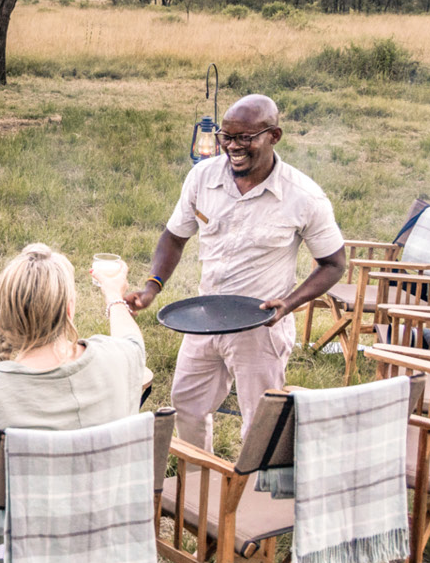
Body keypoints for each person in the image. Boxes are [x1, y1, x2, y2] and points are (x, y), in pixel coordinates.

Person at [123, 94, 346, 451]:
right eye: (226, 137)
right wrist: (152, 287)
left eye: (245, 138)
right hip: (205, 317)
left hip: (261, 324)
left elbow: (334, 264)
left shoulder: (304, 197)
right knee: (186, 405)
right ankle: (202, 475)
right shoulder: (202, 177)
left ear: (274, 136)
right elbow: (174, 237)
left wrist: (288, 303)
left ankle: (249, 485)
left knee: (259, 421)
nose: (232, 146)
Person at [0, 243, 148, 552]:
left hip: (15, 553)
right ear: (69, 310)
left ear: (3, 315)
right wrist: (112, 294)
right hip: (103, 543)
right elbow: (132, 340)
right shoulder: (119, 360)